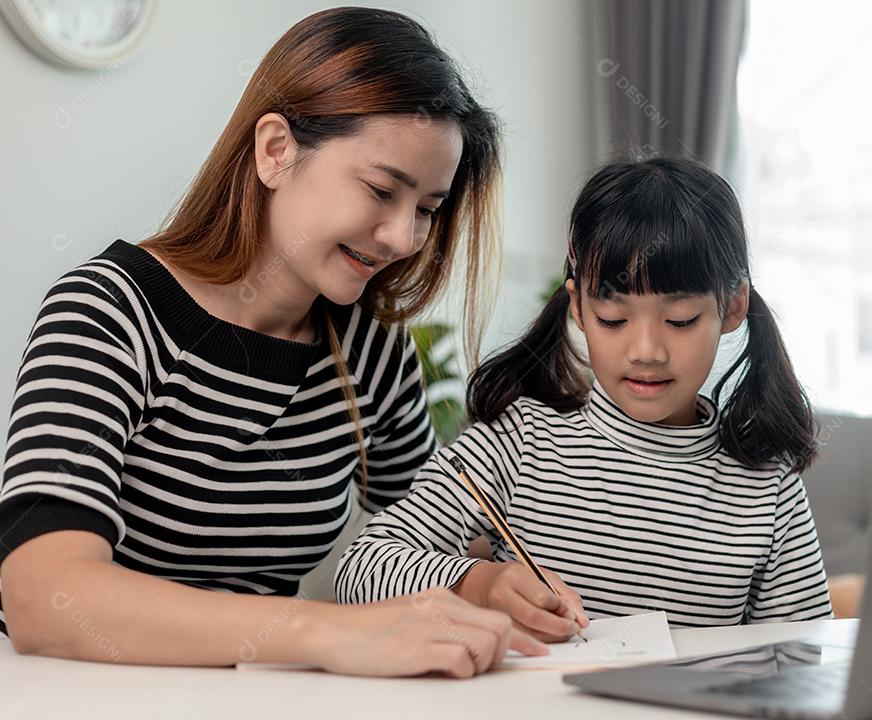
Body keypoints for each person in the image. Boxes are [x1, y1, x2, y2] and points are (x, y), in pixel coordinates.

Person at [0, 7, 548, 677]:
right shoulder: (111, 312)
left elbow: (420, 540)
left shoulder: (373, 356)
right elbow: (43, 596)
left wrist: (480, 582)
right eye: (381, 189)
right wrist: (331, 632)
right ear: (276, 151)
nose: (404, 239)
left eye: (427, 210)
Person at [335, 156, 834, 642]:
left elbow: (803, 659)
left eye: (680, 320)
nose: (646, 352)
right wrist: (480, 585)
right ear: (577, 307)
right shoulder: (519, 441)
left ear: (733, 308)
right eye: (613, 320)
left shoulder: (768, 486)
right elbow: (361, 569)